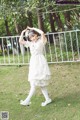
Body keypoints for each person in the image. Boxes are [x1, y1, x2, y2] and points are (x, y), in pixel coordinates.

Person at [19, 26, 52, 106]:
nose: (32, 38)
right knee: (38, 83)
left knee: (36, 83)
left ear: (36, 35)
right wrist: (23, 32)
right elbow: (20, 41)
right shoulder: (30, 43)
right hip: (34, 62)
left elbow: (42, 33)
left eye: (33, 36)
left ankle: (27, 100)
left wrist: (33, 28)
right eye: (30, 37)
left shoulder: (41, 41)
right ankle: (47, 99)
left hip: (40, 62)